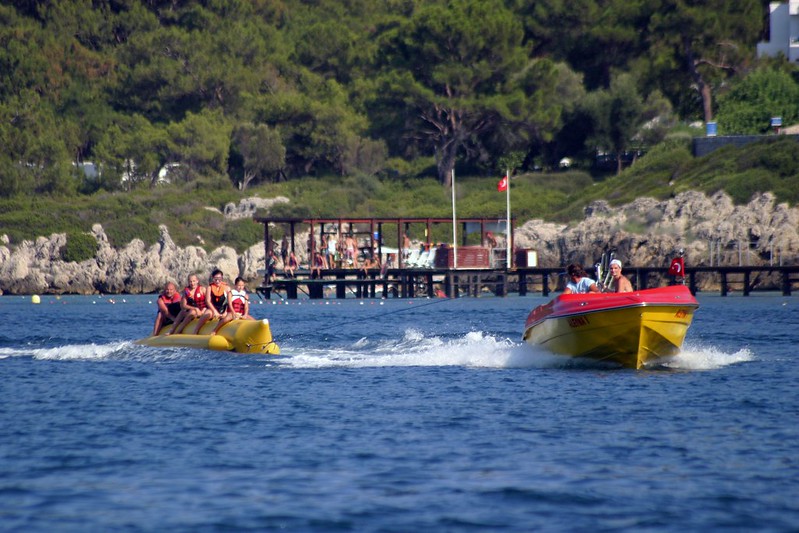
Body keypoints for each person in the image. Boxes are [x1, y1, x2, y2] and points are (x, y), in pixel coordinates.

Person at [194, 269, 234, 335]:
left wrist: (225, 312)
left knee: (229, 316)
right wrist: (215, 311)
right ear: (213, 279)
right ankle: (196, 330)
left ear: (222, 278)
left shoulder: (227, 288)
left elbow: (229, 303)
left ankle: (215, 330)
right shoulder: (209, 288)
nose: (217, 281)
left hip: (223, 310)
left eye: (219, 279)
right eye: (215, 279)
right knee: (207, 314)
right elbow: (208, 301)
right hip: (212, 309)